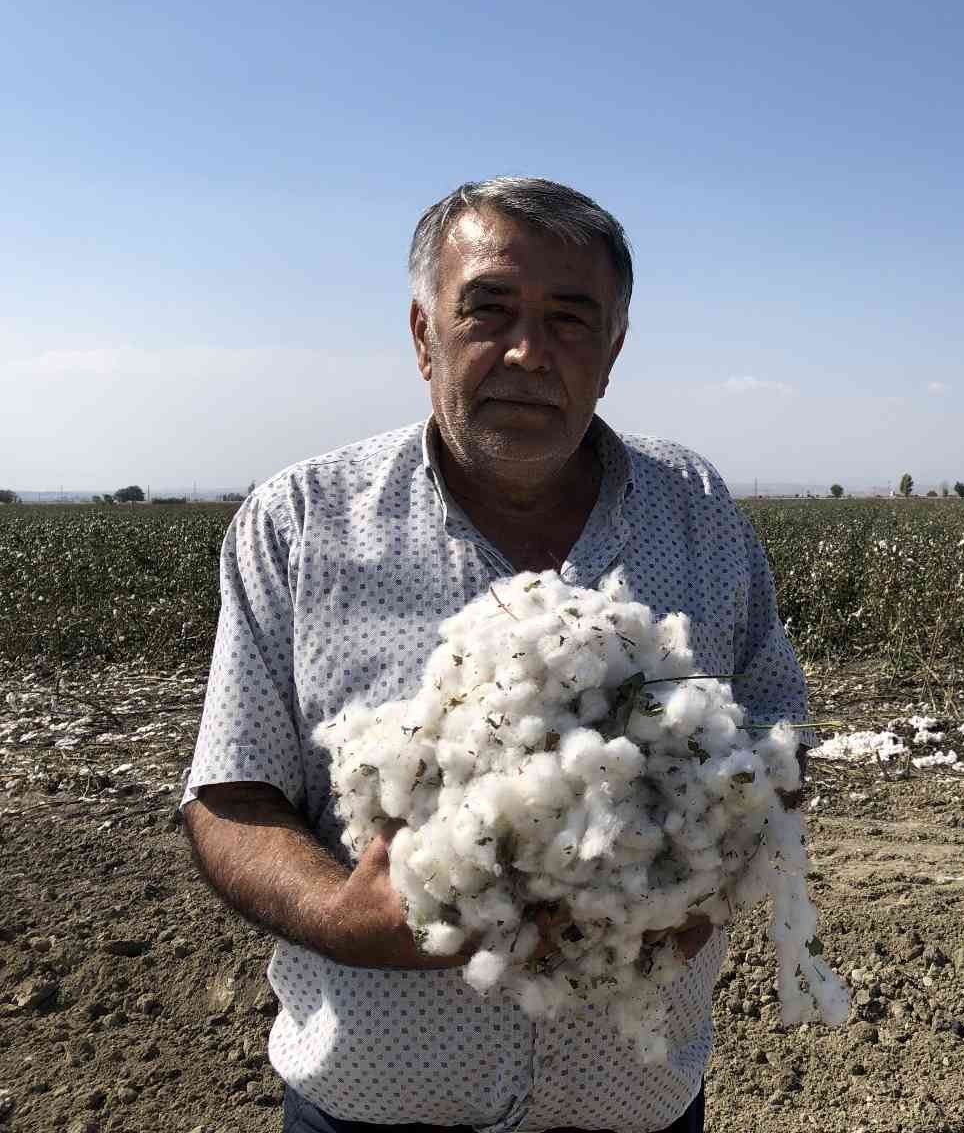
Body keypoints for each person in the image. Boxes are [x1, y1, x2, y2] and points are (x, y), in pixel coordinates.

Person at [180, 177, 814, 1133]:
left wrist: (713, 868)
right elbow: (231, 796)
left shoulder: (699, 514)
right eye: (488, 309)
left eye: (570, 318)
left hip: (633, 1107)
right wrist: (339, 920)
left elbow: (776, 735)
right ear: (423, 332)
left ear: (613, 351)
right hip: (372, 1112)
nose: (528, 352)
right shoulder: (301, 524)